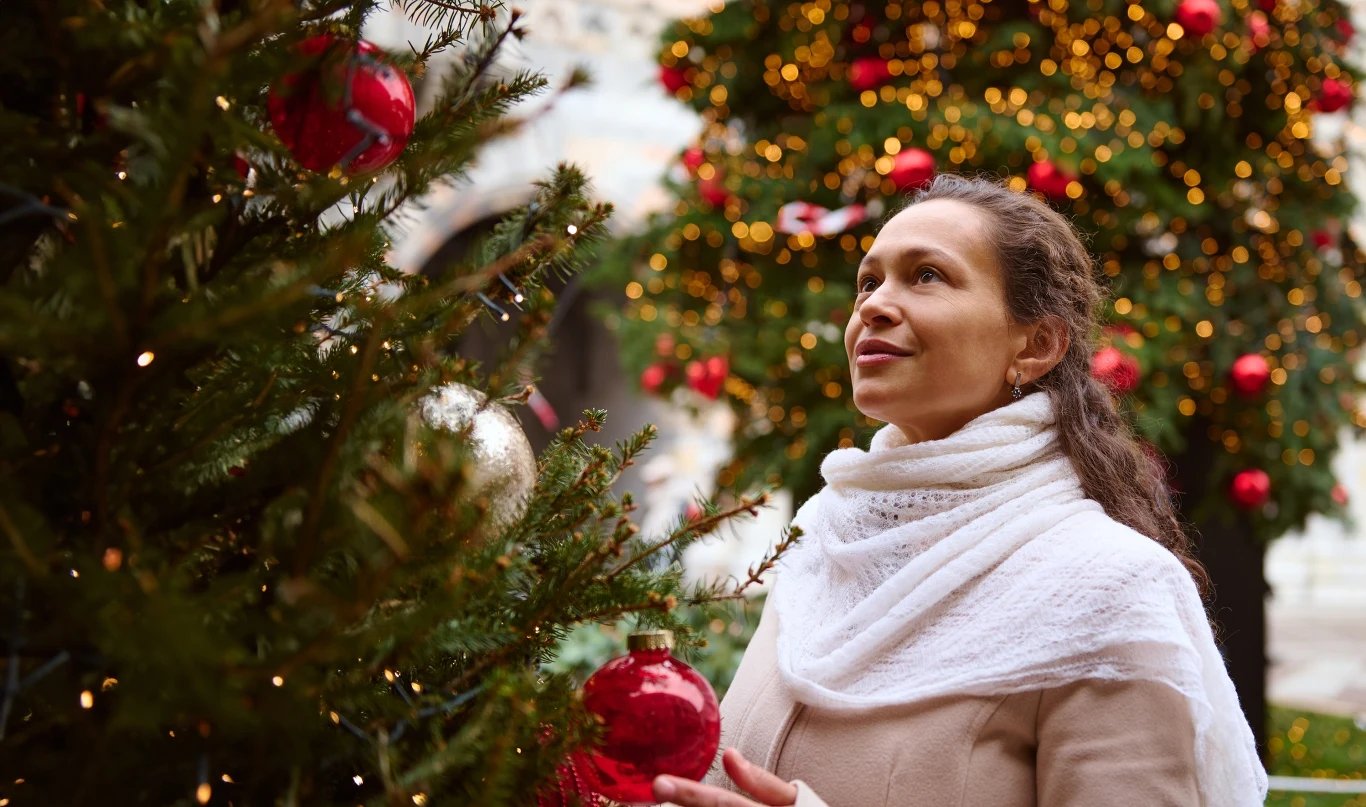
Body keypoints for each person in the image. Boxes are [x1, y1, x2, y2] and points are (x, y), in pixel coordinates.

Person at [651, 173, 1268, 807]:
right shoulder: (824, 539)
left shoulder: (1108, 585)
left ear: (1036, 345)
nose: (873, 306)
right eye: (869, 281)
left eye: (927, 276)